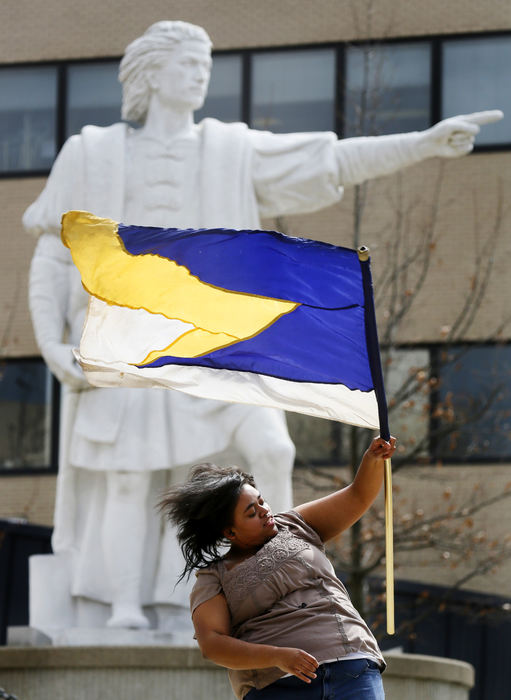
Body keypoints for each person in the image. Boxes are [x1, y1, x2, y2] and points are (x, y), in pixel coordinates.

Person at [22, 18, 501, 632]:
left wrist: (423, 142)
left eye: (205, 63)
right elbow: (50, 252)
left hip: (219, 346)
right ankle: (125, 610)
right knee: (127, 482)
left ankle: (269, 582)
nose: (200, 74)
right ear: (150, 74)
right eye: (187, 63)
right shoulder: (90, 151)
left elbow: (328, 159)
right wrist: (51, 345)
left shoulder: (230, 148)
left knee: (271, 449)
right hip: (129, 347)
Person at [160, 435, 397, 699]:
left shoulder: (296, 525)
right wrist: (278, 656)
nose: (264, 511)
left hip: (351, 667)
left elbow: (357, 495)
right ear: (230, 531)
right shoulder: (213, 578)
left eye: (261, 501)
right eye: (251, 513)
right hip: (277, 686)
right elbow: (212, 644)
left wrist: (372, 459)